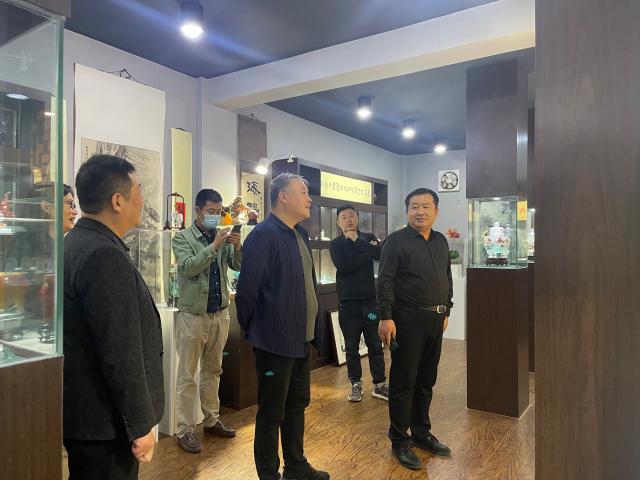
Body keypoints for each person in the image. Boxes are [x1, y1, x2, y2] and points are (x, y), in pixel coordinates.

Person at [63, 154, 164, 479]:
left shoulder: (77, 242)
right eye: (139, 190)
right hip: (105, 424)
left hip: (89, 420)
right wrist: (140, 425)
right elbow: (120, 351)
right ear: (118, 201)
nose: (142, 200)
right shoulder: (103, 254)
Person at [236, 173, 329, 480]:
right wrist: (255, 329)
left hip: (300, 339)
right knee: (272, 412)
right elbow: (247, 291)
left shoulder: (298, 234)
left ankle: (296, 466)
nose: (309, 198)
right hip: (274, 341)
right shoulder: (264, 234)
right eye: (303, 192)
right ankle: (269, 474)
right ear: (283, 196)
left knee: (296, 404)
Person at [377, 187, 453, 470]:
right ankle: (400, 439)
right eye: (414, 207)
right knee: (404, 380)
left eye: (425, 206)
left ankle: (421, 432)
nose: (420, 212)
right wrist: (385, 317)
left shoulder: (441, 240)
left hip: (435, 320)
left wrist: (447, 308)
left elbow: (446, 276)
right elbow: (384, 280)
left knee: (426, 379)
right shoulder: (396, 241)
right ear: (407, 211)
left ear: (436, 211)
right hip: (407, 320)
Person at [171, 188, 242, 453]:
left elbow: (236, 266)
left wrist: (237, 246)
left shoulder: (220, 234)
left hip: (220, 312)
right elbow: (188, 267)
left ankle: (211, 419)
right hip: (193, 314)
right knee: (187, 374)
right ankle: (184, 429)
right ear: (198, 210)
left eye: (219, 212)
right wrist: (214, 247)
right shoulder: (183, 238)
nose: (215, 216)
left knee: (214, 370)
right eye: (211, 211)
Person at [329, 204, 388, 403]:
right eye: (344, 217)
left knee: (375, 344)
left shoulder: (368, 237)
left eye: (351, 216)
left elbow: (379, 254)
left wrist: (357, 241)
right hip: (349, 304)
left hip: (370, 303)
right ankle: (356, 384)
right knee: (351, 346)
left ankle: (379, 384)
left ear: (357, 218)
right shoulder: (336, 244)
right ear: (338, 222)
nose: (348, 219)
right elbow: (344, 267)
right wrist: (365, 253)